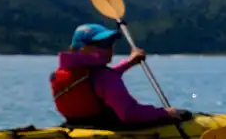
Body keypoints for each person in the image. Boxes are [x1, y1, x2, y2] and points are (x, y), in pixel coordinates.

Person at [50, 23, 189, 129]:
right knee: (184, 115)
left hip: (74, 126)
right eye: (103, 44)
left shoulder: (59, 74)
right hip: (107, 129)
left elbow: (96, 82)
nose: (110, 48)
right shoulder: (104, 77)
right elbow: (129, 114)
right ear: (82, 48)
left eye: (110, 43)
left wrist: (129, 62)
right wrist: (165, 113)